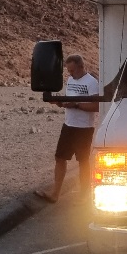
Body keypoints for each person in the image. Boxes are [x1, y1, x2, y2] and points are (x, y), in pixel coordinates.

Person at [38, 54, 100, 203]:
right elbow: (69, 100)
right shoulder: (71, 80)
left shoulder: (92, 83)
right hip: (68, 125)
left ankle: (84, 196)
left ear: (81, 67)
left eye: (72, 70)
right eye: (68, 71)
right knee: (60, 158)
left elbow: (96, 106)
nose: (70, 74)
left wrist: (77, 105)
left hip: (84, 128)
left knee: (83, 161)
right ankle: (55, 193)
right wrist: (61, 103)